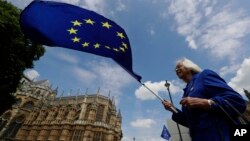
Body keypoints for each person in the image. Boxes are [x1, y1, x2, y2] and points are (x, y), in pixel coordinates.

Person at [162, 57, 246, 141]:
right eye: (175, 69)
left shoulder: (205, 75)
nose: (176, 70)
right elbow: (190, 122)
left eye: (179, 67)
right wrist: (172, 109)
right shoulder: (186, 91)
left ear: (189, 67)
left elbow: (237, 101)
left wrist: (206, 103)